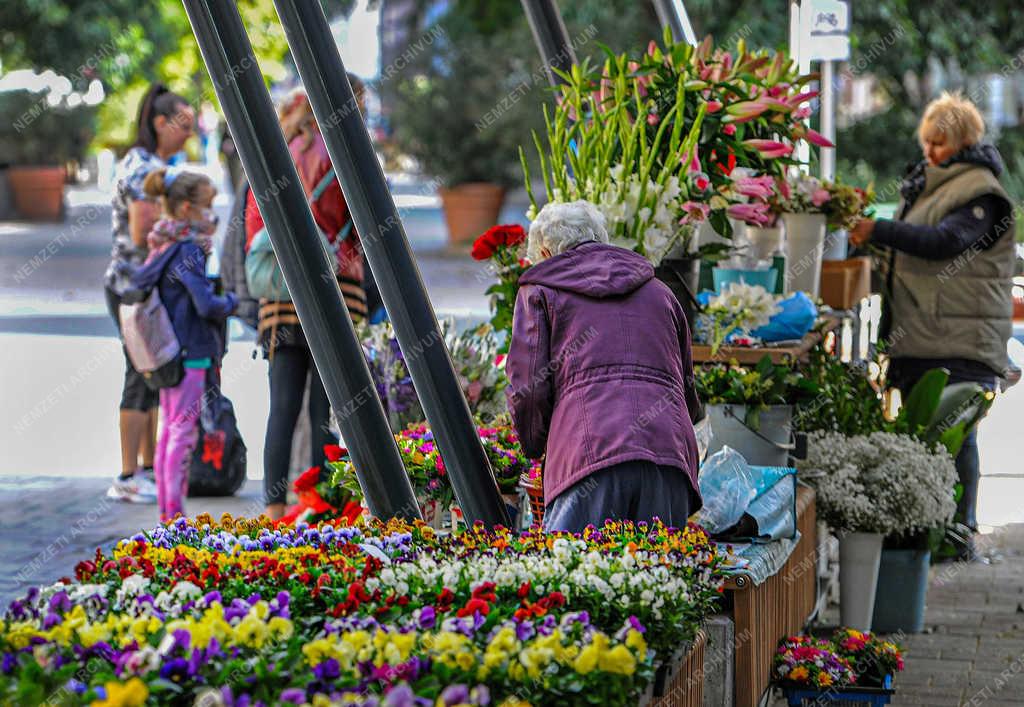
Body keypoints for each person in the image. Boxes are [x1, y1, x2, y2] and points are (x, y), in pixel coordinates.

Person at [850, 91, 1016, 557]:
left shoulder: (981, 193)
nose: (929, 152)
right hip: (926, 336)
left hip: (960, 340)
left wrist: (878, 230)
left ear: (962, 141)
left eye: (939, 143)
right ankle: (931, 533)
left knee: (957, 438)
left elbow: (947, 243)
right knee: (931, 440)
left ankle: (958, 536)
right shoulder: (931, 186)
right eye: (926, 142)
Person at [504, 200, 702, 533]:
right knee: (664, 577)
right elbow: (686, 386)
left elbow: (529, 389)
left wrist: (536, 447)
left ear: (544, 251)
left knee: (574, 577)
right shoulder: (661, 293)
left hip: (588, 455)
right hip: (668, 456)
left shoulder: (540, 292)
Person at [244, 85, 368, 520]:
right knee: (325, 408)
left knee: (281, 406)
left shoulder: (276, 154)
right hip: (339, 294)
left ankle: (274, 511)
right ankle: (317, 510)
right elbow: (366, 229)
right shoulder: (348, 153)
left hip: (281, 295)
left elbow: (254, 228)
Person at [103, 83, 194, 503]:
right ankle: (127, 475)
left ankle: (145, 471)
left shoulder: (154, 162)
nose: (189, 134)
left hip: (144, 289)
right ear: (161, 123)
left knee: (154, 375)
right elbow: (143, 233)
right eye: (184, 125)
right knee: (139, 377)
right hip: (133, 290)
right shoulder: (143, 169)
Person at [131, 167, 237, 521]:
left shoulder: (163, 245)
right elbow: (205, 304)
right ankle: (174, 516)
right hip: (192, 354)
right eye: (207, 206)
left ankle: (167, 511)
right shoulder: (188, 250)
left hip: (169, 354)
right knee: (182, 434)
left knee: (169, 432)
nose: (212, 214)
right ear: (188, 208)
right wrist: (233, 303)